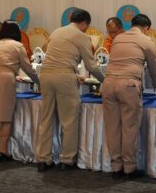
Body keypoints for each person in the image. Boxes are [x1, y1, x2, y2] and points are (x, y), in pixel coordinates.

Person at [35, 9, 104, 172]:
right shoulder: (82, 36)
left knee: (46, 119)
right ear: (84, 23)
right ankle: (67, 160)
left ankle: (43, 159)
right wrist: (105, 80)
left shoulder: (56, 31)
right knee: (69, 120)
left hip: (45, 75)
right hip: (64, 77)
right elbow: (91, 65)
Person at [102, 14, 156, 179]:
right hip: (128, 85)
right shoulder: (146, 40)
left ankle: (116, 167)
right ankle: (129, 168)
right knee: (129, 127)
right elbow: (153, 68)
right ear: (147, 28)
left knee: (112, 127)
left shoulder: (118, 38)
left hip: (108, 84)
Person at [0, 21, 39, 161]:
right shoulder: (17, 45)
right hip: (5, 78)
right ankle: (3, 151)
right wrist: (38, 81)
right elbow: (27, 68)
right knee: (5, 116)